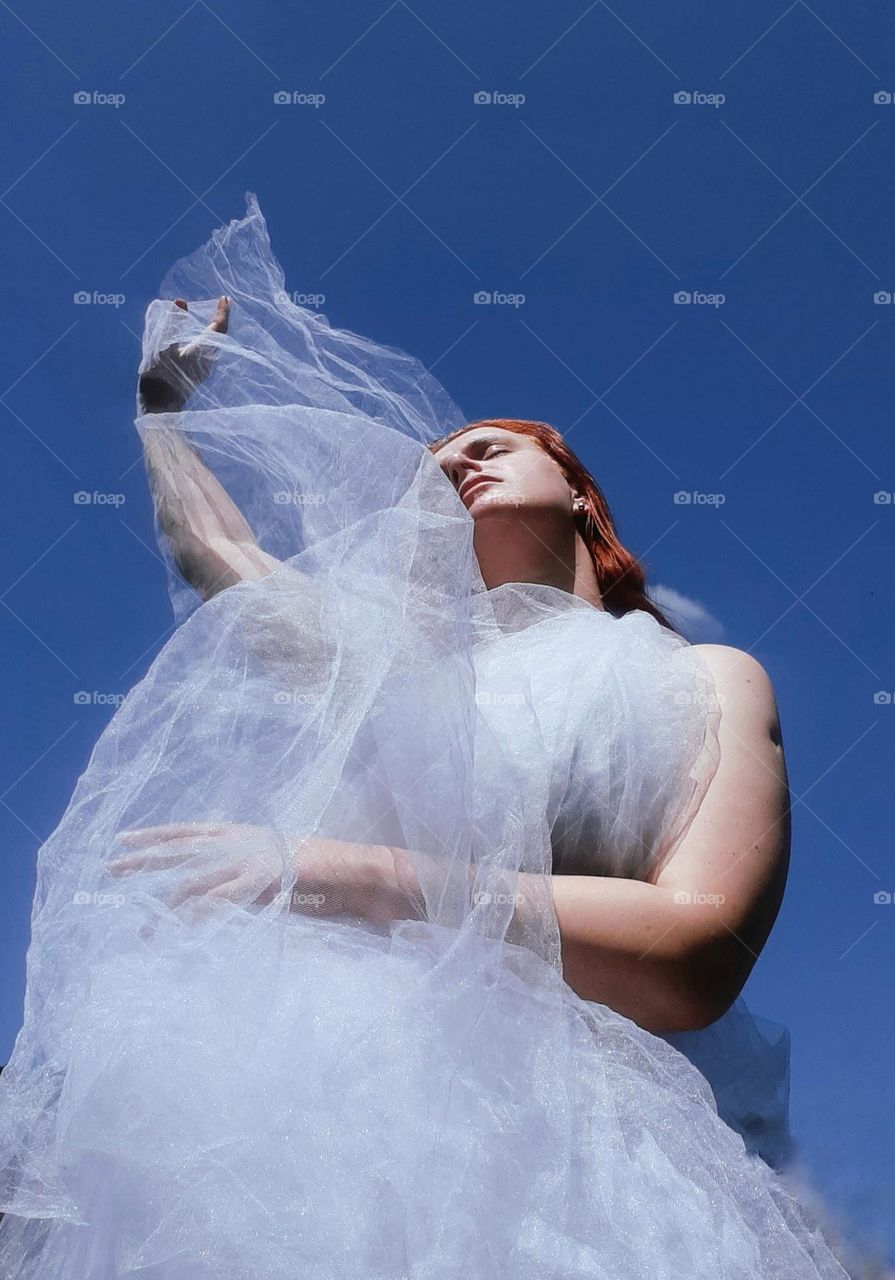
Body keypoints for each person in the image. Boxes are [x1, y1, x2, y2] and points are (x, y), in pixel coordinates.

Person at [0, 194, 850, 1277]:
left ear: (582, 497)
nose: (456, 465)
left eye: (490, 446)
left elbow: (694, 951)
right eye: (437, 465)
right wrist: (158, 412)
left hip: (572, 1169)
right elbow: (217, 552)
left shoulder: (699, 678)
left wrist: (338, 870)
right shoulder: (395, 674)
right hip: (320, 1131)